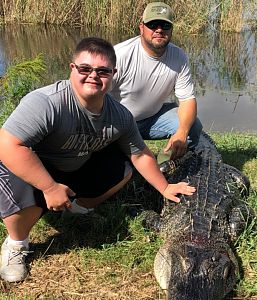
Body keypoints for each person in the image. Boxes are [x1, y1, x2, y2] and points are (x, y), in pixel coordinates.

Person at [0, 37, 196, 283]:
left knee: (123, 166)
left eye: (102, 71)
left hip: (72, 166)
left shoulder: (120, 115)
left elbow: (139, 154)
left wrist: (165, 186)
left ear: (113, 74)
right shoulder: (47, 102)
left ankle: (76, 205)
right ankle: (16, 244)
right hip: (30, 166)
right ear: (73, 69)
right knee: (20, 184)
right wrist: (49, 187)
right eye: (85, 69)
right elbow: (7, 145)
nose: (93, 76)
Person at [110, 2, 203, 160]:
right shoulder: (119, 55)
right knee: (117, 164)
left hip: (153, 119)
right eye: (153, 24)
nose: (159, 29)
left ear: (171, 29)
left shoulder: (179, 56)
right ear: (141, 28)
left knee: (192, 128)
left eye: (165, 25)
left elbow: (187, 100)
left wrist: (181, 132)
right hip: (118, 123)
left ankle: (165, 164)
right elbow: (93, 99)